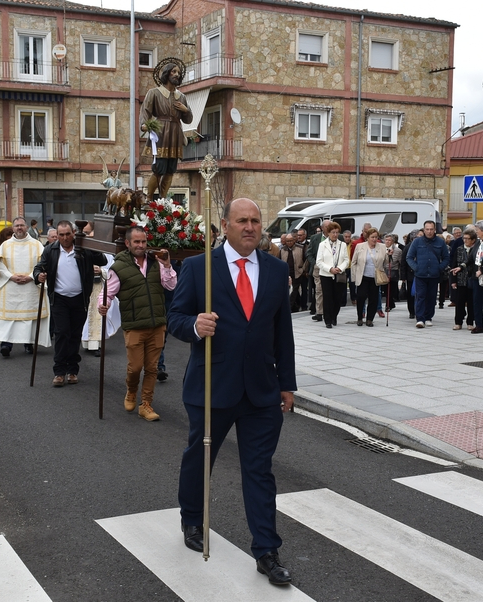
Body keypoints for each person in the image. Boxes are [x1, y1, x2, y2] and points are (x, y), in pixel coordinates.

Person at [167, 198, 296, 586]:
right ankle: (192, 519)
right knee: (200, 459)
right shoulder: (197, 267)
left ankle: (267, 550)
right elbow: (175, 317)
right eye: (242, 221)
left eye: (256, 221)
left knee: (259, 471)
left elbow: (282, 333)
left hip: (261, 391)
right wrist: (195, 325)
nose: (250, 227)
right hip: (212, 385)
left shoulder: (275, 270)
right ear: (225, 225)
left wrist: (287, 383)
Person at [98, 226, 176, 421]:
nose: (141, 246)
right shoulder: (119, 267)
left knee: (152, 368)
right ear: (128, 243)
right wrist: (103, 305)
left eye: (143, 242)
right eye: (136, 242)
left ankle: (146, 404)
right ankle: (131, 390)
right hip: (134, 325)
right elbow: (107, 292)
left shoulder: (156, 262)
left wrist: (167, 266)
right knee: (135, 368)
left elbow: (171, 285)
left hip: (157, 323)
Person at [34, 221, 107, 387]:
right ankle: (59, 372)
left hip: (79, 298)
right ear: (56, 235)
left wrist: (90, 246)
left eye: (68, 234)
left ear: (74, 233)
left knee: (74, 335)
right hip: (59, 298)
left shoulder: (83, 248)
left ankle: (73, 370)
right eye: (61, 235)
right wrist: (39, 275)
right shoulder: (50, 250)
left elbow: (102, 259)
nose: (65, 238)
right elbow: (39, 267)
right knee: (61, 333)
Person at [0, 217, 49, 357]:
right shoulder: (5, 245)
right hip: (11, 286)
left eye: (22, 225)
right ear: (13, 228)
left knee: (29, 318)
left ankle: (29, 344)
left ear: (26, 227)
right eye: (16, 226)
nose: (19, 228)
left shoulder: (37, 245)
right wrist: (11, 276)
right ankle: (6, 345)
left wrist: (31, 277)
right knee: (9, 318)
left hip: (30, 286)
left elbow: (43, 263)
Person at [140, 62, 193, 200]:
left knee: (170, 170)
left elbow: (188, 120)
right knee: (159, 169)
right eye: (173, 72)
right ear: (166, 74)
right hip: (161, 133)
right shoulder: (154, 93)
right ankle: (149, 198)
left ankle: (162, 199)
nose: (177, 75)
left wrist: (185, 110)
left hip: (175, 135)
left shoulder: (181, 97)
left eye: (178, 73)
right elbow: (145, 112)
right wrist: (144, 125)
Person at [405, 220, 449, 328]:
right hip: (420, 274)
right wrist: (416, 268)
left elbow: (446, 258)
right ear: (424, 230)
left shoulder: (440, 242)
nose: (429, 231)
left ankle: (428, 317)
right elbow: (409, 257)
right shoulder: (417, 242)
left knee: (431, 296)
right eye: (427, 229)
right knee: (420, 296)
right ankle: (420, 318)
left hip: (434, 275)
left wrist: (439, 268)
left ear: (434, 230)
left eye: (431, 229)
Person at [350, 228, 387, 327]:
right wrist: (354, 277)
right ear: (368, 237)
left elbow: (386, 262)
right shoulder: (360, 246)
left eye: (376, 237)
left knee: (373, 299)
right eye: (372, 237)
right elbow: (354, 262)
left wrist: (389, 256)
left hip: (375, 277)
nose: (374, 239)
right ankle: (359, 317)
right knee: (361, 297)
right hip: (363, 276)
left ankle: (370, 319)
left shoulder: (382, 247)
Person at [315, 221, 348, 329]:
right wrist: (330, 269)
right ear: (328, 233)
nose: (335, 235)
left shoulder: (342, 245)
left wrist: (339, 268)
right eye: (333, 232)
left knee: (337, 298)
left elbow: (347, 260)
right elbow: (319, 261)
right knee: (327, 298)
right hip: (326, 275)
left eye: (337, 232)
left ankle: (334, 316)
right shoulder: (322, 245)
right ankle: (328, 319)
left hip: (339, 275)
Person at [448, 227, 476, 330]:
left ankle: (470, 322)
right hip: (460, 279)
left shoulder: (476, 249)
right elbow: (454, 265)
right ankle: (458, 322)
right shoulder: (459, 249)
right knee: (459, 302)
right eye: (464, 238)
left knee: (471, 302)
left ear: (473, 240)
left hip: (472, 279)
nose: (465, 240)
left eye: (468, 238)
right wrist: (453, 281)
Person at [305, 220, 330, 322]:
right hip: (318, 268)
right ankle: (319, 313)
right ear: (322, 228)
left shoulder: (337, 237)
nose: (329, 228)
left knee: (329, 291)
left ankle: (330, 311)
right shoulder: (315, 238)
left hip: (330, 268)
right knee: (319, 290)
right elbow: (309, 253)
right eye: (327, 226)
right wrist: (315, 263)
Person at [279, 233, 306, 311]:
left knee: (294, 290)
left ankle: (289, 307)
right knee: (292, 290)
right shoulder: (282, 250)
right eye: (287, 241)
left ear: (294, 240)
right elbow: (280, 260)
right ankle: (296, 305)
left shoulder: (300, 248)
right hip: (287, 273)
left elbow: (306, 260)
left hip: (297, 272)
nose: (289, 243)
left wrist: (303, 269)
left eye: (291, 241)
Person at [383, 234, 401, 311]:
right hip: (383, 271)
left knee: (391, 290)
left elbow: (400, 262)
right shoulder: (381, 249)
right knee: (385, 289)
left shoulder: (398, 251)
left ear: (393, 242)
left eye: (389, 240)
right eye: (386, 240)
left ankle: (388, 305)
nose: (387, 242)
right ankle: (391, 304)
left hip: (393, 272)